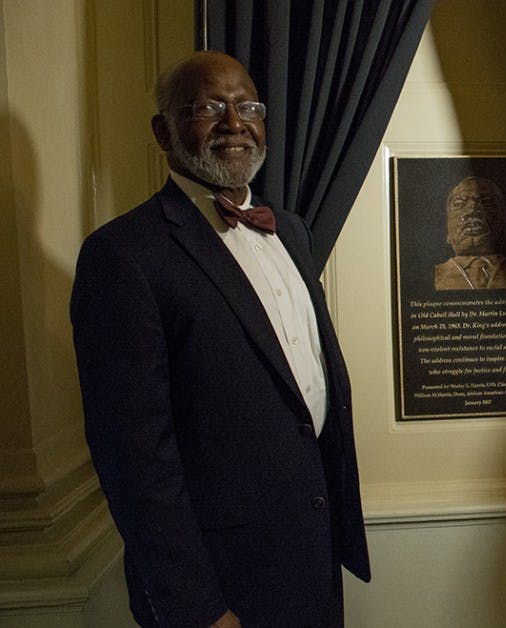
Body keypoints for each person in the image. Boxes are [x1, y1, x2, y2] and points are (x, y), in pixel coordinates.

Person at [70, 51, 369, 628]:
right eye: (207, 107)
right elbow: (133, 457)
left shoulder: (294, 232)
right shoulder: (123, 256)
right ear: (164, 131)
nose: (234, 123)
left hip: (312, 561)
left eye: (247, 106)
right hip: (221, 590)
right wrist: (196, 608)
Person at [433, 176, 506, 290]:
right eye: (458, 204)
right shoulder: (435, 276)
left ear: (504, 219)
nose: (471, 210)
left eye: (486, 202)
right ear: (446, 227)